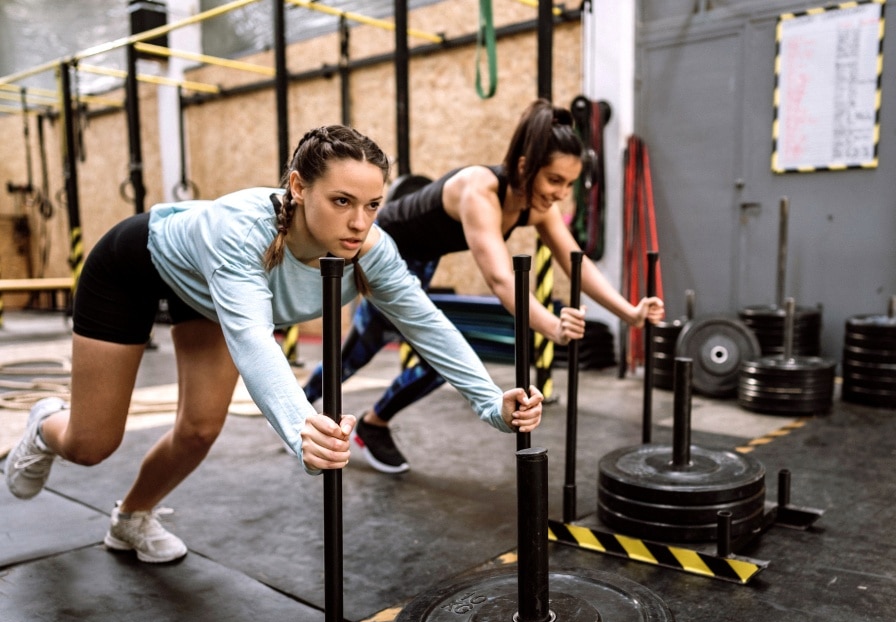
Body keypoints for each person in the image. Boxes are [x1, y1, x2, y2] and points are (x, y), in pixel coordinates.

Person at [3, 124, 543, 564]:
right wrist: (302, 429)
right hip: (134, 268)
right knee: (91, 445)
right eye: (341, 200)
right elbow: (253, 338)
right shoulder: (244, 230)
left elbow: (424, 320)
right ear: (299, 187)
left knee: (197, 431)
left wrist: (491, 401)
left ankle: (129, 520)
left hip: (205, 296)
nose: (359, 222)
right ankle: (47, 422)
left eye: (373, 204)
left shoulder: (370, 247)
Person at [302, 99, 664, 474]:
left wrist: (630, 312)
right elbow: (501, 278)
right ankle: (304, 409)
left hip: (419, 264)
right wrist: (553, 326)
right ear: (525, 167)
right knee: (363, 349)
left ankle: (372, 423)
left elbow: (577, 262)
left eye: (569, 184)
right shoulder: (480, 189)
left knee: (432, 360)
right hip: (380, 251)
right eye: (555, 180)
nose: (560, 193)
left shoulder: (538, 204)